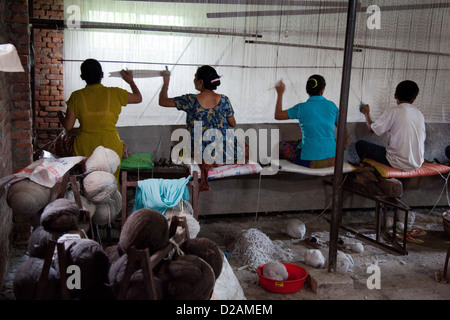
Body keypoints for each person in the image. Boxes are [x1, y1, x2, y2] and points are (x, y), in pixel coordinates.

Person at [158, 65, 246, 190]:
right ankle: (221, 159)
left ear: (201, 82)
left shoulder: (190, 100)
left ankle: (210, 159)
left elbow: (162, 101)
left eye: (195, 78)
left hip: (202, 150)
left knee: (180, 151)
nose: (194, 80)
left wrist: (166, 83)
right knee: (241, 145)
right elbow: (233, 124)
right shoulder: (224, 100)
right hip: (225, 149)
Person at [58, 58, 142, 184]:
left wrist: (60, 116)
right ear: (102, 75)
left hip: (85, 146)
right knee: (110, 183)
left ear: (82, 77)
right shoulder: (114, 93)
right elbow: (138, 98)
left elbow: (68, 126)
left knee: (89, 184)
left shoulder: (76, 96)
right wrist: (131, 82)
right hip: (110, 145)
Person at [274, 75, 348, 168]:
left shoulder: (301, 108)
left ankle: (283, 178)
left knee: (282, 146)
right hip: (333, 160)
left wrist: (280, 93)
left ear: (306, 90)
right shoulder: (332, 106)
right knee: (327, 141)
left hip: (310, 161)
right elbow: (342, 127)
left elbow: (278, 115)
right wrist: (345, 143)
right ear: (322, 90)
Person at [356, 80, 425, 171]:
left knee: (360, 144)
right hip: (417, 163)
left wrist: (366, 113)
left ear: (395, 95)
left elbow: (372, 129)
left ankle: (371, 172)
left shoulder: (394, 111)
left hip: (397, 162)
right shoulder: (419, 114)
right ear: (413, 99)